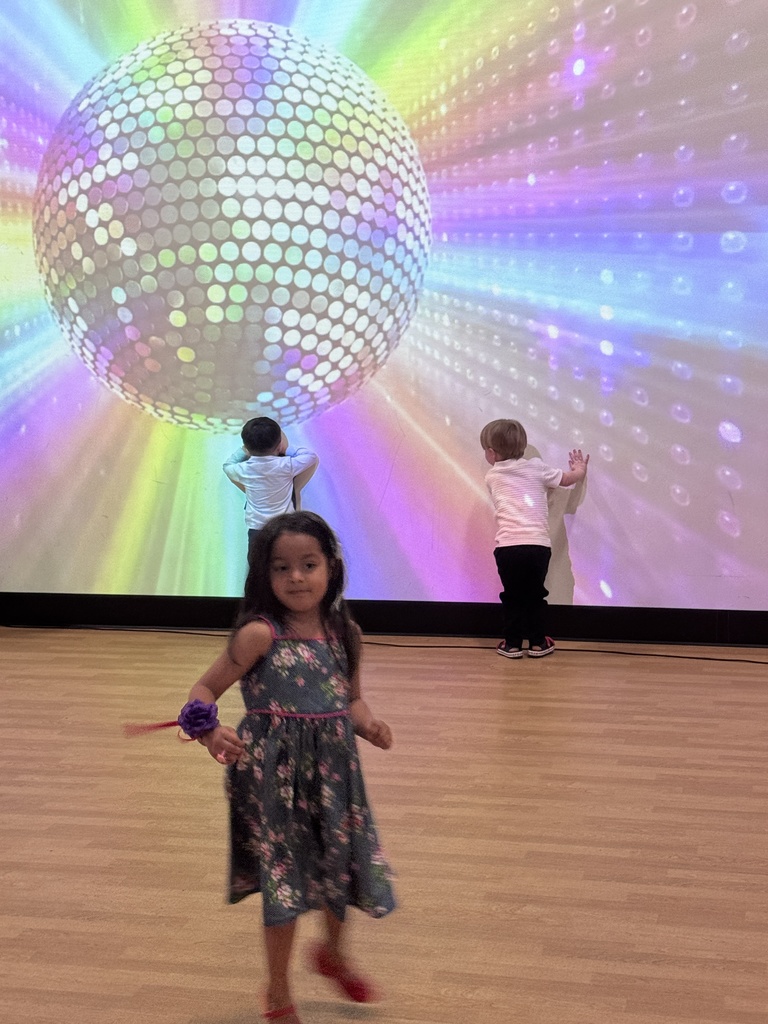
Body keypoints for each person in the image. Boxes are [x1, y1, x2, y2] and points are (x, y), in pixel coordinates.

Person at [177, 511, 395, 1024]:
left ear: (331, 567)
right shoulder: (259, 634)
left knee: (337, 868)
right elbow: (203, 690)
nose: (296, 577)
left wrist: (369, 725)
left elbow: (352, 700)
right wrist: (209, 730)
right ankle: (277, 990)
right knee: (285, 882)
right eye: (281, 568)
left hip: (335, 775)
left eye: (308, 564)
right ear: (264, 576)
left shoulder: (346, 634)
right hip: (271, 779)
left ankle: (333, 956)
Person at [480, 418, 589, 659]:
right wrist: (579, 470)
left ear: (490, 452)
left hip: (508, 548)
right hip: (537, 547)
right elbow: (566, 480)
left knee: (512, 597)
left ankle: (512, 644)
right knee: (535, 595)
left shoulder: (492, 476)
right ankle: (539, 642)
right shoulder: (537, 468)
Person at [223, 417, 319, 563]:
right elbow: (311, 457)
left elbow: (227, 466)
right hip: (285, 528)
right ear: (279, 445)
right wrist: (287, 449)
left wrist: (243, 451)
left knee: (259, 568)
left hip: (257, 530)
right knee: (285, 566)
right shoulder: (286, 466)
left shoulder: (243, 469)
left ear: (248, 447)